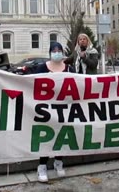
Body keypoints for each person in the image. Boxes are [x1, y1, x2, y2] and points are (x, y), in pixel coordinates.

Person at [35, 42, 74, 182]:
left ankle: (58, 162)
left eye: (59, 50)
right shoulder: (41, 68)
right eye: (54, 50)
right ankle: (42, 166)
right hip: (46, 110)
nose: (57, 52)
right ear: (50, 52)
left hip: (64, 109)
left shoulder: (69, 68)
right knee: (46, 137)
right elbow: (30, 84)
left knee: (62, 137)